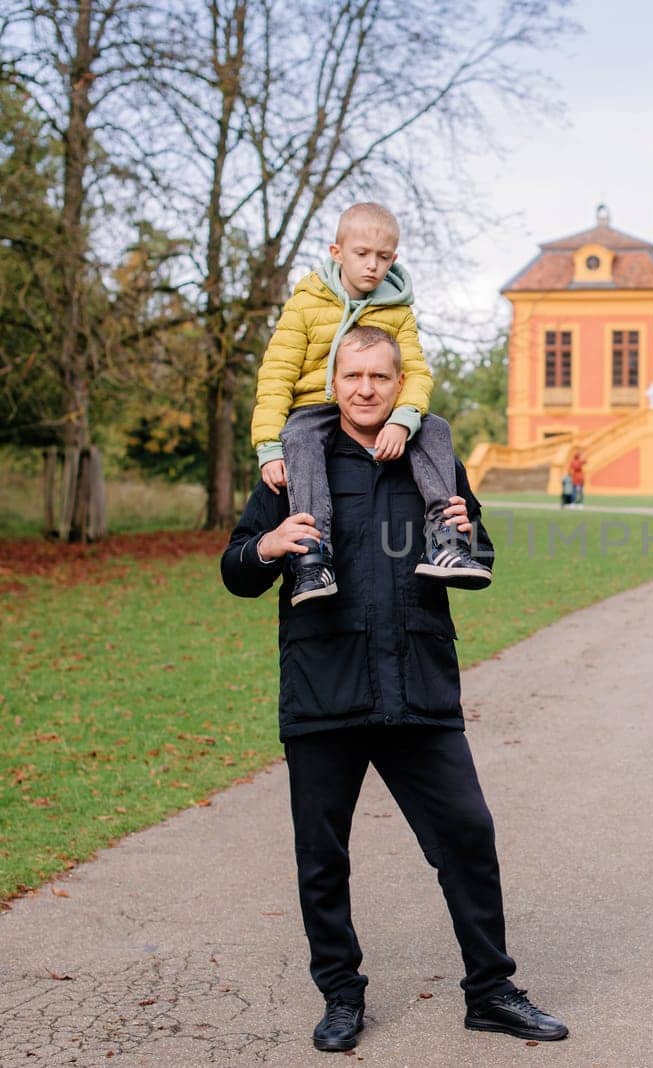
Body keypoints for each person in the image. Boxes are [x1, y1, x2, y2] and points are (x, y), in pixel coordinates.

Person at [222, 326, 568, 1053]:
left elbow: (480, 555)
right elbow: (236, 569)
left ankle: (491, 990)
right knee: (323, 857)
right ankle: (340, 997)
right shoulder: (292, 464)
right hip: (325, 689)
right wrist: (268, 546)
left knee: (468, 837)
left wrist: (469, 532)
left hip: (418, 687)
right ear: (333, 380)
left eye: (381, 376)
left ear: (398, 381)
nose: (366, 389)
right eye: (353, 375)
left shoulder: (432, 458)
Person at [251, 201, 490, 605]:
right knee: (299, 437)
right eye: (362, 254)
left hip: (382, 413)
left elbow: (415, 373)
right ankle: (313, 554)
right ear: (337, 253)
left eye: (383, 257)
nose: (372, 266)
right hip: (314, 406)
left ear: (394, 258)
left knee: (434, 427)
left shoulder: (397, 309)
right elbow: (276, 375)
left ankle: (445, 537)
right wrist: (268, 445)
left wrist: (402, 418)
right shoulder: (306, 303)